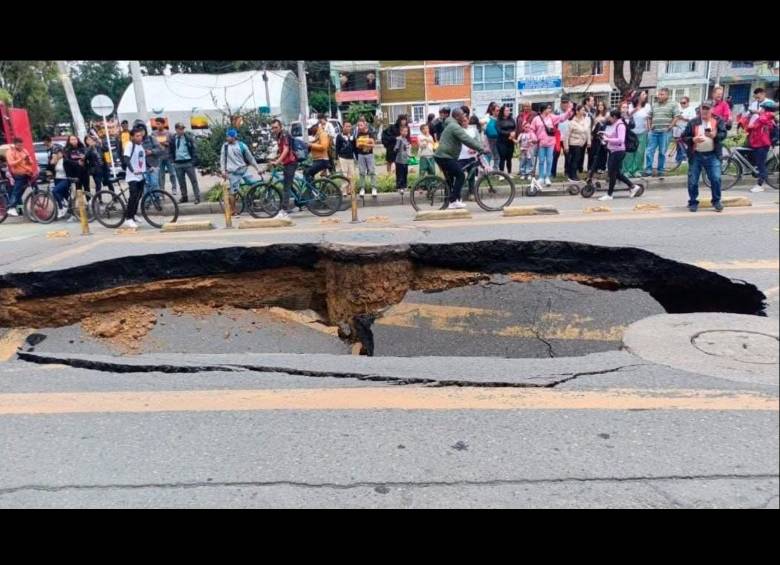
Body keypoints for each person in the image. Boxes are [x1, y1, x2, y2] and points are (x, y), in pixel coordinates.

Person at [433, 107, 488, 210]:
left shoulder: (452, 124)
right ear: (457, 116)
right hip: (445, 156)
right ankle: (453, 201)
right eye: (463, 114)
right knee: (461, 176)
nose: (465, 116)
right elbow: (466, 139)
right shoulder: (455, 127)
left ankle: (452, 200)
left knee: (451, 179)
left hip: (443, 155)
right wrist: (481, 148)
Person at [681, 100, 727, 212]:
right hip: (696, 154)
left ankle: (716, 201)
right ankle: (693, 202)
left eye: (707, 109)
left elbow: (724, 134)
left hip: (712, 155)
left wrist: (714, 135)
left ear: (712, 110)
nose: (705, 111)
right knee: (693, 180)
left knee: (716, 178)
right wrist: (693, 139)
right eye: (703, 108)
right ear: (700, 109)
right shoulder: (693, 122)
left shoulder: (718, 120)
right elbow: (684, 137)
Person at [597, 110, 643, 201]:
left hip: (618, 151)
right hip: (615, 151)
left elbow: (621, 140)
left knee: (612, 173)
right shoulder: (617, 124)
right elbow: (614, 135)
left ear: (614, 117)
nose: (609, 118)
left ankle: (609, 194)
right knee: (616, 173)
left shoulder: (620, 125)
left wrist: (607, 139)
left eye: (610, 116)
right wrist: (606, 134)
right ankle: (633, 187)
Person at [220, 128, 263, 215]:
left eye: (228, 136)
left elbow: (250, 158)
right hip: (233, 172)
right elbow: (222, 159)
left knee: (254, 184)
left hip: (243, 170)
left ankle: (251, 201)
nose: (227, 138)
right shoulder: (225, 146)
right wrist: (223, 171)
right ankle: (233, 210)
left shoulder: (242, 145)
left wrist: (258, 168)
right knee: (233, 192)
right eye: (227, 136)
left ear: (233, 137)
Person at [530, 102, 573, 186]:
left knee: (549, 160)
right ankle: (541, 177)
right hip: (541, 143)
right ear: (543, 109)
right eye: (548, 108)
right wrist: (534, 137)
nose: (550, 110)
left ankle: (547, 177)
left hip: (550, 142)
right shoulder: (536, 119)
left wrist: (568, 111)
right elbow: (532, 129)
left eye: (550, 108)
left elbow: (562, 118)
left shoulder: (552, 117)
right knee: (541, 161)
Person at [644, 88, 681, 177]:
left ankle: (661, 170)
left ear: (667, 95)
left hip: (665, 132)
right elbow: (649, 116)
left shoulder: (673, 104)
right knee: (649, 151)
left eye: (662, 94)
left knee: (662, 152)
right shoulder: (655, 105)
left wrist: (671, 126)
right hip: (654, 132)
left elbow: (676, 116)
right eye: (659, 94)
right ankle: (648, 169)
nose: (659, 96)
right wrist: (649, 127)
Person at [746, 100, 778, 193]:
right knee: (758, 162)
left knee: (761, 164)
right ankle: (756, 172)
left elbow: (753, 126)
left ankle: (760, 185)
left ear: (766, 109)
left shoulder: (765, 117)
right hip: (758, 143)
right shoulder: (768, 117)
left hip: (762, 144)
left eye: (762, 108)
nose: (761, 110)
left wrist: (751, 125)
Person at [269, 118, 297, 219]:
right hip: (287, 162)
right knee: (288, 183)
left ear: (281, 127)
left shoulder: (284, 134)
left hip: (291, 162)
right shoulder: (279, 136)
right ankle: (299, 204)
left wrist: (277, 161)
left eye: (276, 127)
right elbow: (281, 152)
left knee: (286, 188)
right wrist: (274, 159)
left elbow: (286, 150)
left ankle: (284, 211)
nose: (274, 129)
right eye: (272, 128)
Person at [122, 126, 147, 229]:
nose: (140, 137)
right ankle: (128, 218)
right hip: (132, 176)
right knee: (133, 196)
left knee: (139, 196)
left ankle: (133, 214)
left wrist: (150, 167)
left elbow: (141, 160)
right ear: (132, 137)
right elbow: (126, 160)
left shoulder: (140, 146)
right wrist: (133, 170)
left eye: (140, 135)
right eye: (137, 136)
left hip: (140, 175)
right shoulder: (129, 145)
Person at [621, 90, 650, 178]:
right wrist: (635, 110)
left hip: (643, 132)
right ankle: (626, 170)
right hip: (631, 132)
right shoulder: (630, 106)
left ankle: (637, 170)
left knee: (640, 152)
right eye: (643, 94)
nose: (645, 95)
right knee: (629, 152)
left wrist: (648, 125)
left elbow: (649, 117)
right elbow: (626, 116)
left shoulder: (647, 106)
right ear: (638, 96)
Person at [4, 137, 35, 217]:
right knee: (17, 191)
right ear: (15, 145)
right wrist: (21, 159)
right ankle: (11, 207)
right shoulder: (10, 152)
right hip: (19, 175)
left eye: (22, 145)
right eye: (19, 145)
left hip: (28, 173)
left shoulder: (24, 150)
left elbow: (31, 162)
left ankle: (34, 205)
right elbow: (11, 163)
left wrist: (28, 160)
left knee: (22, 191)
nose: (21, 147)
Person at [170, 123, 200, 204]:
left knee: (193, 181)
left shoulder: (188, 138)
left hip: (188, 162)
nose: (181, 131)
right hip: (178, 163)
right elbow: (170, 150)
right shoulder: (173, 138)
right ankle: (184, 197)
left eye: (182, 129)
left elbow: (194, 149)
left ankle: (197, 197)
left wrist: (193, 161)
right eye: (180, 129)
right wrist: (172, 161)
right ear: (176, 129)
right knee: (181, 182)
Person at [457, 108, 481, 198]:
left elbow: (478, 142)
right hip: (460, 157)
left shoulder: (473, 130)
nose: (464, 122)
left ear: (468, 121)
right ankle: (458, 194)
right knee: (460, 176)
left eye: (466, 121)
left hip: (471, 156)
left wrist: (475, 149)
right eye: (462, 121)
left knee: (471, 176)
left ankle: (471, 193)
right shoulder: (458, 130)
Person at [564, 104, 591, 181]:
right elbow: (567, 135)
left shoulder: (586, 120)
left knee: (579, 159)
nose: (584, 111)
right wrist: (566, 146)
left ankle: (573, 173)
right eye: (582, 110)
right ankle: (573, 175)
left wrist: (589, 141)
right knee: (574, 159)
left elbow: (588, 131)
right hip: (574, 143)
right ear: (577, 111)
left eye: (584, 110)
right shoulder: (572, 122)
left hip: (583, 143)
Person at [354, 119, 378, 197]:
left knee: (372, 171)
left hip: (369, 155)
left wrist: (364, 143)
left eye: (361, 125)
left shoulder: (370, 133)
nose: (359, 127)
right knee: (361, 172)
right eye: (358, 125)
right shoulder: (358, 134)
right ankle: (362, 188)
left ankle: (374, 188)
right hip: (361, 155)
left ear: (365, 125)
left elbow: (373, 145)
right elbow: (357, 145)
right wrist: (366, 143)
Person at [670, 96, 696, 167]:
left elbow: (692, 120)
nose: (682, 104)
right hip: (677, 129)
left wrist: (683, 118)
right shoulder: (679, 109)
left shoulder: (691, 109)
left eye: (684, 103)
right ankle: (678, 159)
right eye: (681, 103)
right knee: (678, 144)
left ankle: (684, 158)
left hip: (685, 129)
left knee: (684, 144)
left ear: (688, 102)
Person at [335, 121, 357, 196]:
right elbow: (337, 148)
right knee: (344, 174)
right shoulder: (339, 136)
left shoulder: (352, 136)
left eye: (349, 126)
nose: (348, 128)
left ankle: (351, 190)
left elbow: (354, 148)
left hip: (351, 158)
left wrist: (356, 157)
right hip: (342, 158)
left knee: (352, 175)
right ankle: (343, 191)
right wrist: (336, 158)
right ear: (343, 127)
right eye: (346, 126)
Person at [50, 143, 71, 219]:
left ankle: (63, 206)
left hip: (65, 179)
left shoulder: (65, 161)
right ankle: (65, 209)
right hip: (57, 180)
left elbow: (73, 165)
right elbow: (50, 168)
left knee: (55, 191)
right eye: (56, 153)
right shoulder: (55, 161)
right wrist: (53, 161)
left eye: (59, 153)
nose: (58, 154)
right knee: (63, 195)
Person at [157, 124, 178, 195]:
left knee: (172, 173)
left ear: (163, 124)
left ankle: (174, 188)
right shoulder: (154, 134)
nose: (158, 125)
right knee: (161, 175)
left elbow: (173, 144)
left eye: (159, 124)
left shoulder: (169, 133)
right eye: (157, 124)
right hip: (159, 158)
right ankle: (162, 190)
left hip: (168, 157)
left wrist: (165, 143)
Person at [588, 101, 609, 173]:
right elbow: (593, 126)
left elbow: (606, 123)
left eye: (602, 105)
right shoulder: (595, 114)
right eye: (599, 105)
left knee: (603, 152)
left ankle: (602, 167)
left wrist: (600, 120)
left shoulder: (607, 115)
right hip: (596, 135)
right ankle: (595, 167)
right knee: (595, 152)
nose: (600, 106)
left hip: (603, 135)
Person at [496, 104, 516, 174]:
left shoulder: (511, 119)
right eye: (506, 110)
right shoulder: (499, 120)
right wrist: (509, 133)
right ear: (503, 111)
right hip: (502, 142)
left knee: (509, 158)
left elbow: (514, 127)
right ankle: (501, 174)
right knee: (502, 158)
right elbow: (499, 131)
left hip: (510, 142)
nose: (508, 112)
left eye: (509, 110)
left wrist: (514, 133)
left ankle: (509, 173)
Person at [394, 124, 412, 193]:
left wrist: (409, 155)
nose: (405, 133)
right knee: (400, 174)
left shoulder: (406, 139)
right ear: (400, 132)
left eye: (406, 131)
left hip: (405, 160)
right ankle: (399, 187)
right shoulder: (399, 139)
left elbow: (407, 149)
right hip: (399, 160)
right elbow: (396, 148)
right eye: (404, 131)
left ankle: (404, 186)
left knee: (405, 173)